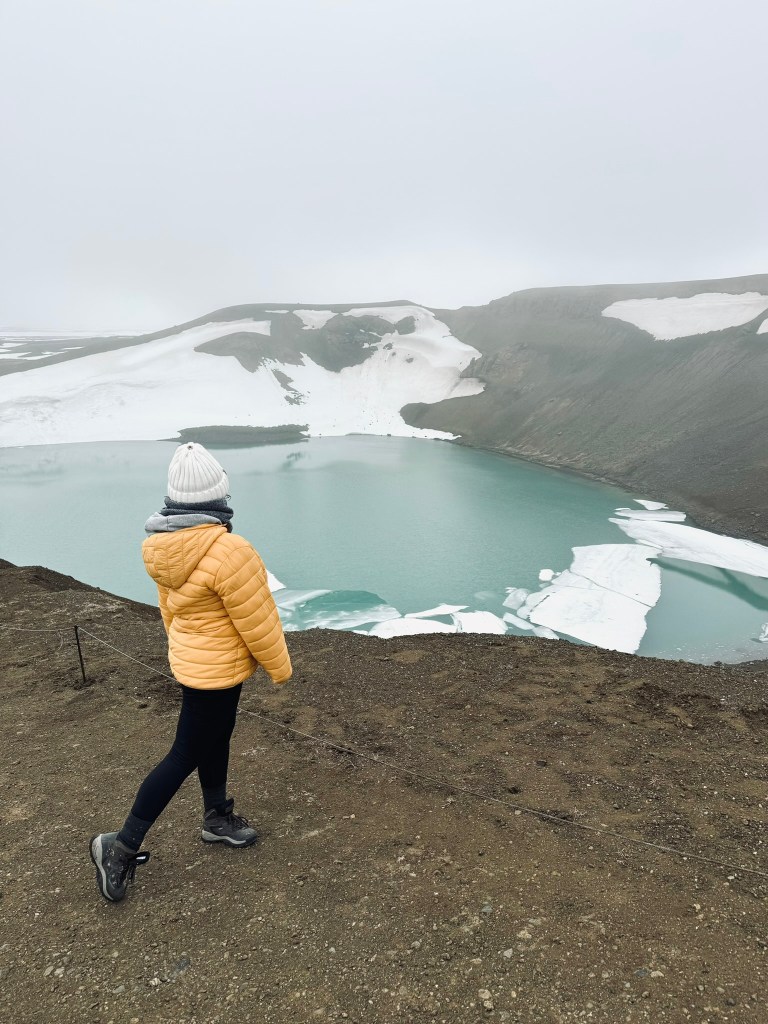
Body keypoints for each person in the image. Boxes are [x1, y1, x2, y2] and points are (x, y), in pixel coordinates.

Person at [90, 442, 292, 902]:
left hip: (195, 665)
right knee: (184, 755)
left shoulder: (161, 546)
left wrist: (184, 651)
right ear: (218, 495)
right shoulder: (229, 549)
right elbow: (257, 618)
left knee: (215, 738)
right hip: (216, 671)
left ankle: (217, 817)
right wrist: (279, 668)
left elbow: (169, 612)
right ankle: (118, 847)